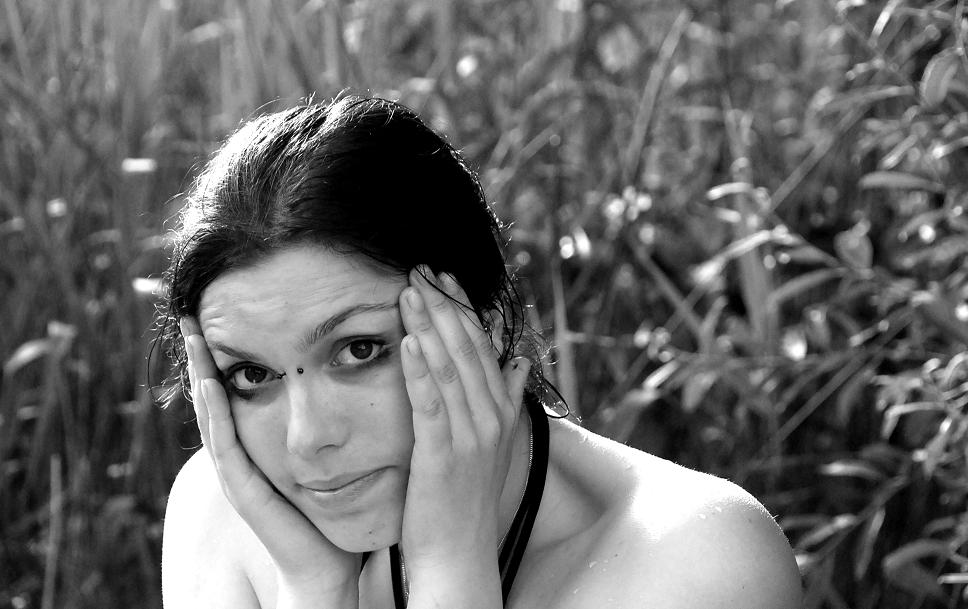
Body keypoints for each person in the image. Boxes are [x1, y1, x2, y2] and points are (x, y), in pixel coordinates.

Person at [159, 95, 802, 609]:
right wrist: (312, 590)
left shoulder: (693, 560)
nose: (307, 439)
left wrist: (451, 570)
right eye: (252, 374)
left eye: (359, 350)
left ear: (487, 324)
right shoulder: (229, 518)